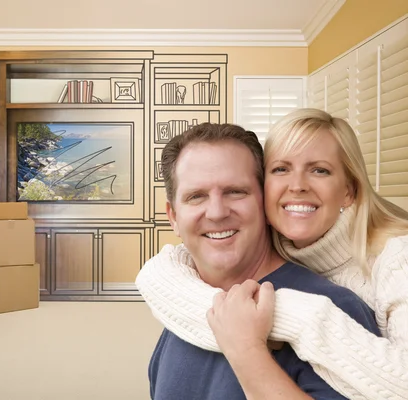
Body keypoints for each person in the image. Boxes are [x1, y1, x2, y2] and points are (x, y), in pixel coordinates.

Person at [137, 108, 408, 400]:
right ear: (173, 216)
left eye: (235, 192)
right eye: (196, 196)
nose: (216, 212)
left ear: (262, 201)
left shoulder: (346, 301)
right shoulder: (183, 303)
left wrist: (254, 344)